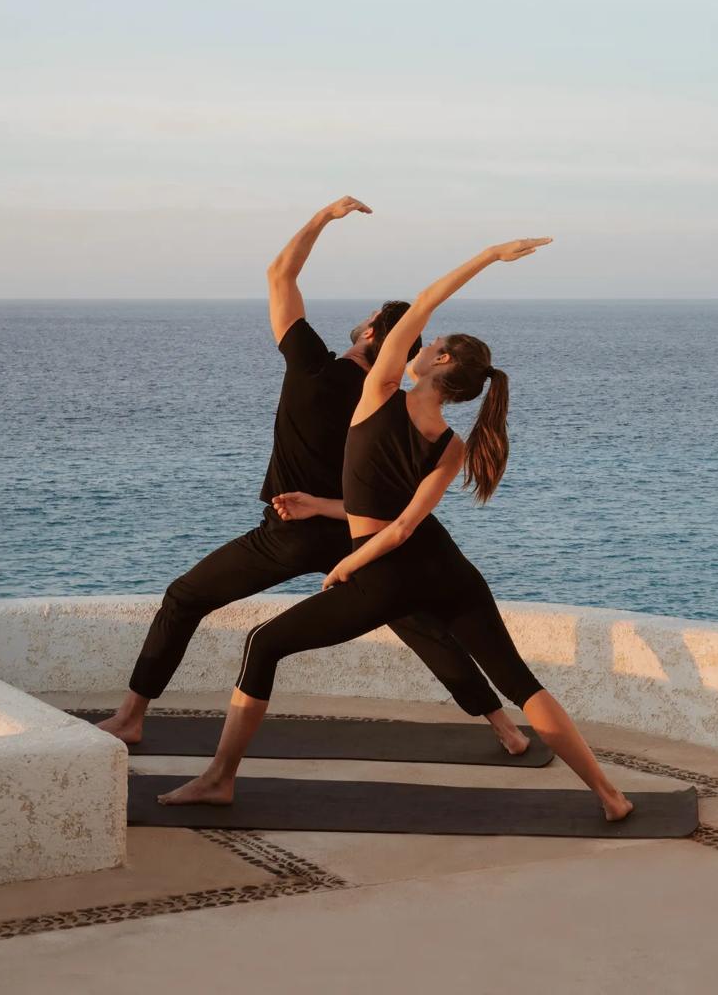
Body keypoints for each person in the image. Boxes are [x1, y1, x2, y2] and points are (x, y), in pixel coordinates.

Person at [158, 235, 633, 822]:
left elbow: (422, 305)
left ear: (439, 364)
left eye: (430, 343)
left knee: (263, 645)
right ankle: (610, 796)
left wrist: (349, 564)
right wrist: (320, 507)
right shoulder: (454, 444)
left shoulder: (380, 392)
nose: (421, 341)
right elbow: (404, 520)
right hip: (446, 567)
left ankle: (218, 779)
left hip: (385, 572)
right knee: (522, 683)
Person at [96, 197, 527, 755]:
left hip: (292, 527)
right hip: (360, 534)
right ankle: (507, 730)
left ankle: (131, 717)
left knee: (184, 597)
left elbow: (280, 273)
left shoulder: (311, 368)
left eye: (372, 313)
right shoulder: (391, 405)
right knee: (420, 625)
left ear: (372, 331)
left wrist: (324, 217)